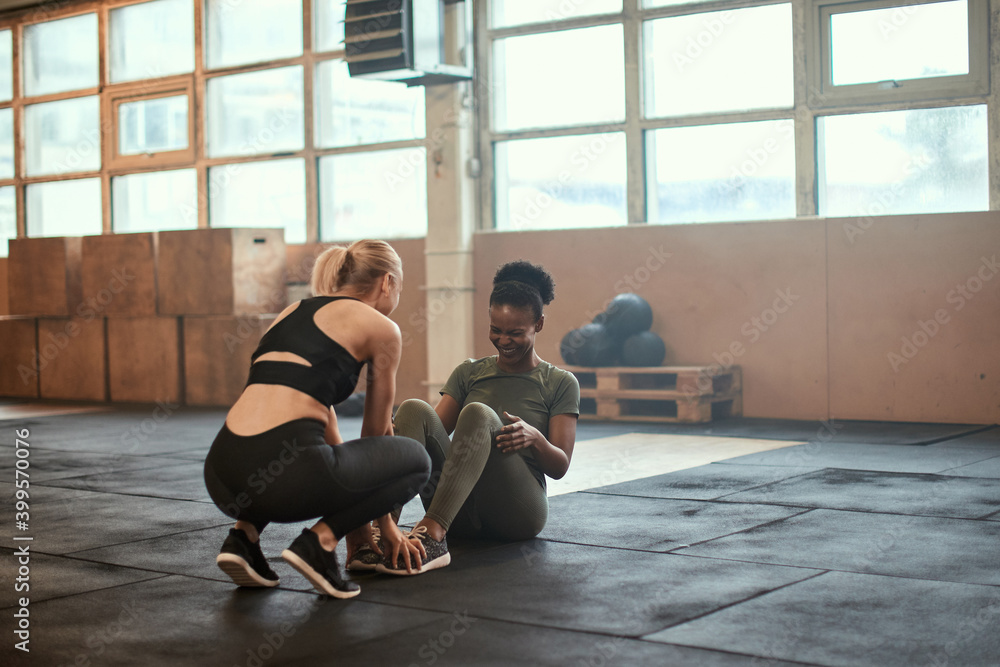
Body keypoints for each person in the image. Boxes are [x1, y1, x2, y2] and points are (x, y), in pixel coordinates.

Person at [203, 240, 431, 598]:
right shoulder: (382, 329)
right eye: (399, 287)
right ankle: (319, 544)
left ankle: (242, 538)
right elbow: (376, 434)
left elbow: (322, 423)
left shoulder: (291, 313)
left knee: (288, 449)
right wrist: (385, 525)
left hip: (221, 475)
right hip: (289, 482)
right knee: (416, 460)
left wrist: (350, 489)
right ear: (387, 282)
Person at [349, 261, 580, 575]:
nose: (503, 340)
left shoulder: (560, 383)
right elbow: (431, 434)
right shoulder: (470, 372)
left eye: (515, 333)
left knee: (479, 414)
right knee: (413, 408)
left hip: (517, 514)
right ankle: (381, 530)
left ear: (538, 324)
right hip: (458, 509)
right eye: (495, 330)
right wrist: (395, 430)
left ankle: (432, 535)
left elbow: (560, 467)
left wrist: (535, 439)